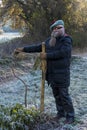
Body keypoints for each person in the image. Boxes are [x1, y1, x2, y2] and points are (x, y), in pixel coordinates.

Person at [14, 20, 75, 124]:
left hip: (62, 74)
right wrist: (22, 49)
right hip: (51, 74)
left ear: (63, 28)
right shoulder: (50, 41)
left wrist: (47, 56)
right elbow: (37, 47)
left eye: (59, 27)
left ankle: (70, 116)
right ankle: (60, 114)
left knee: (64, 95)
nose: (56, 29)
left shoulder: (66, 40)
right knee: (56, 95)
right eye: (54, 28)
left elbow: (63, 52)